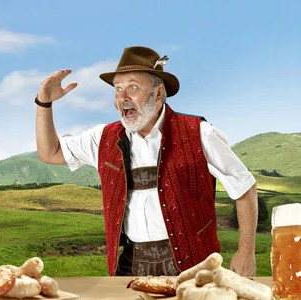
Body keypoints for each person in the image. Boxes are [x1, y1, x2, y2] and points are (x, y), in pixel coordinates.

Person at [34, 46, 258, 277]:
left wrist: (246, 252)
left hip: (196, 265)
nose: (123, 98)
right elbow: (50, 153)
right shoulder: (103, 138)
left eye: (133, 87)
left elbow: (245, 188)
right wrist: (44, 103)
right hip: (131, 266)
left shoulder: (200, 133)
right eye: (118, 89)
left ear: (158, 93)